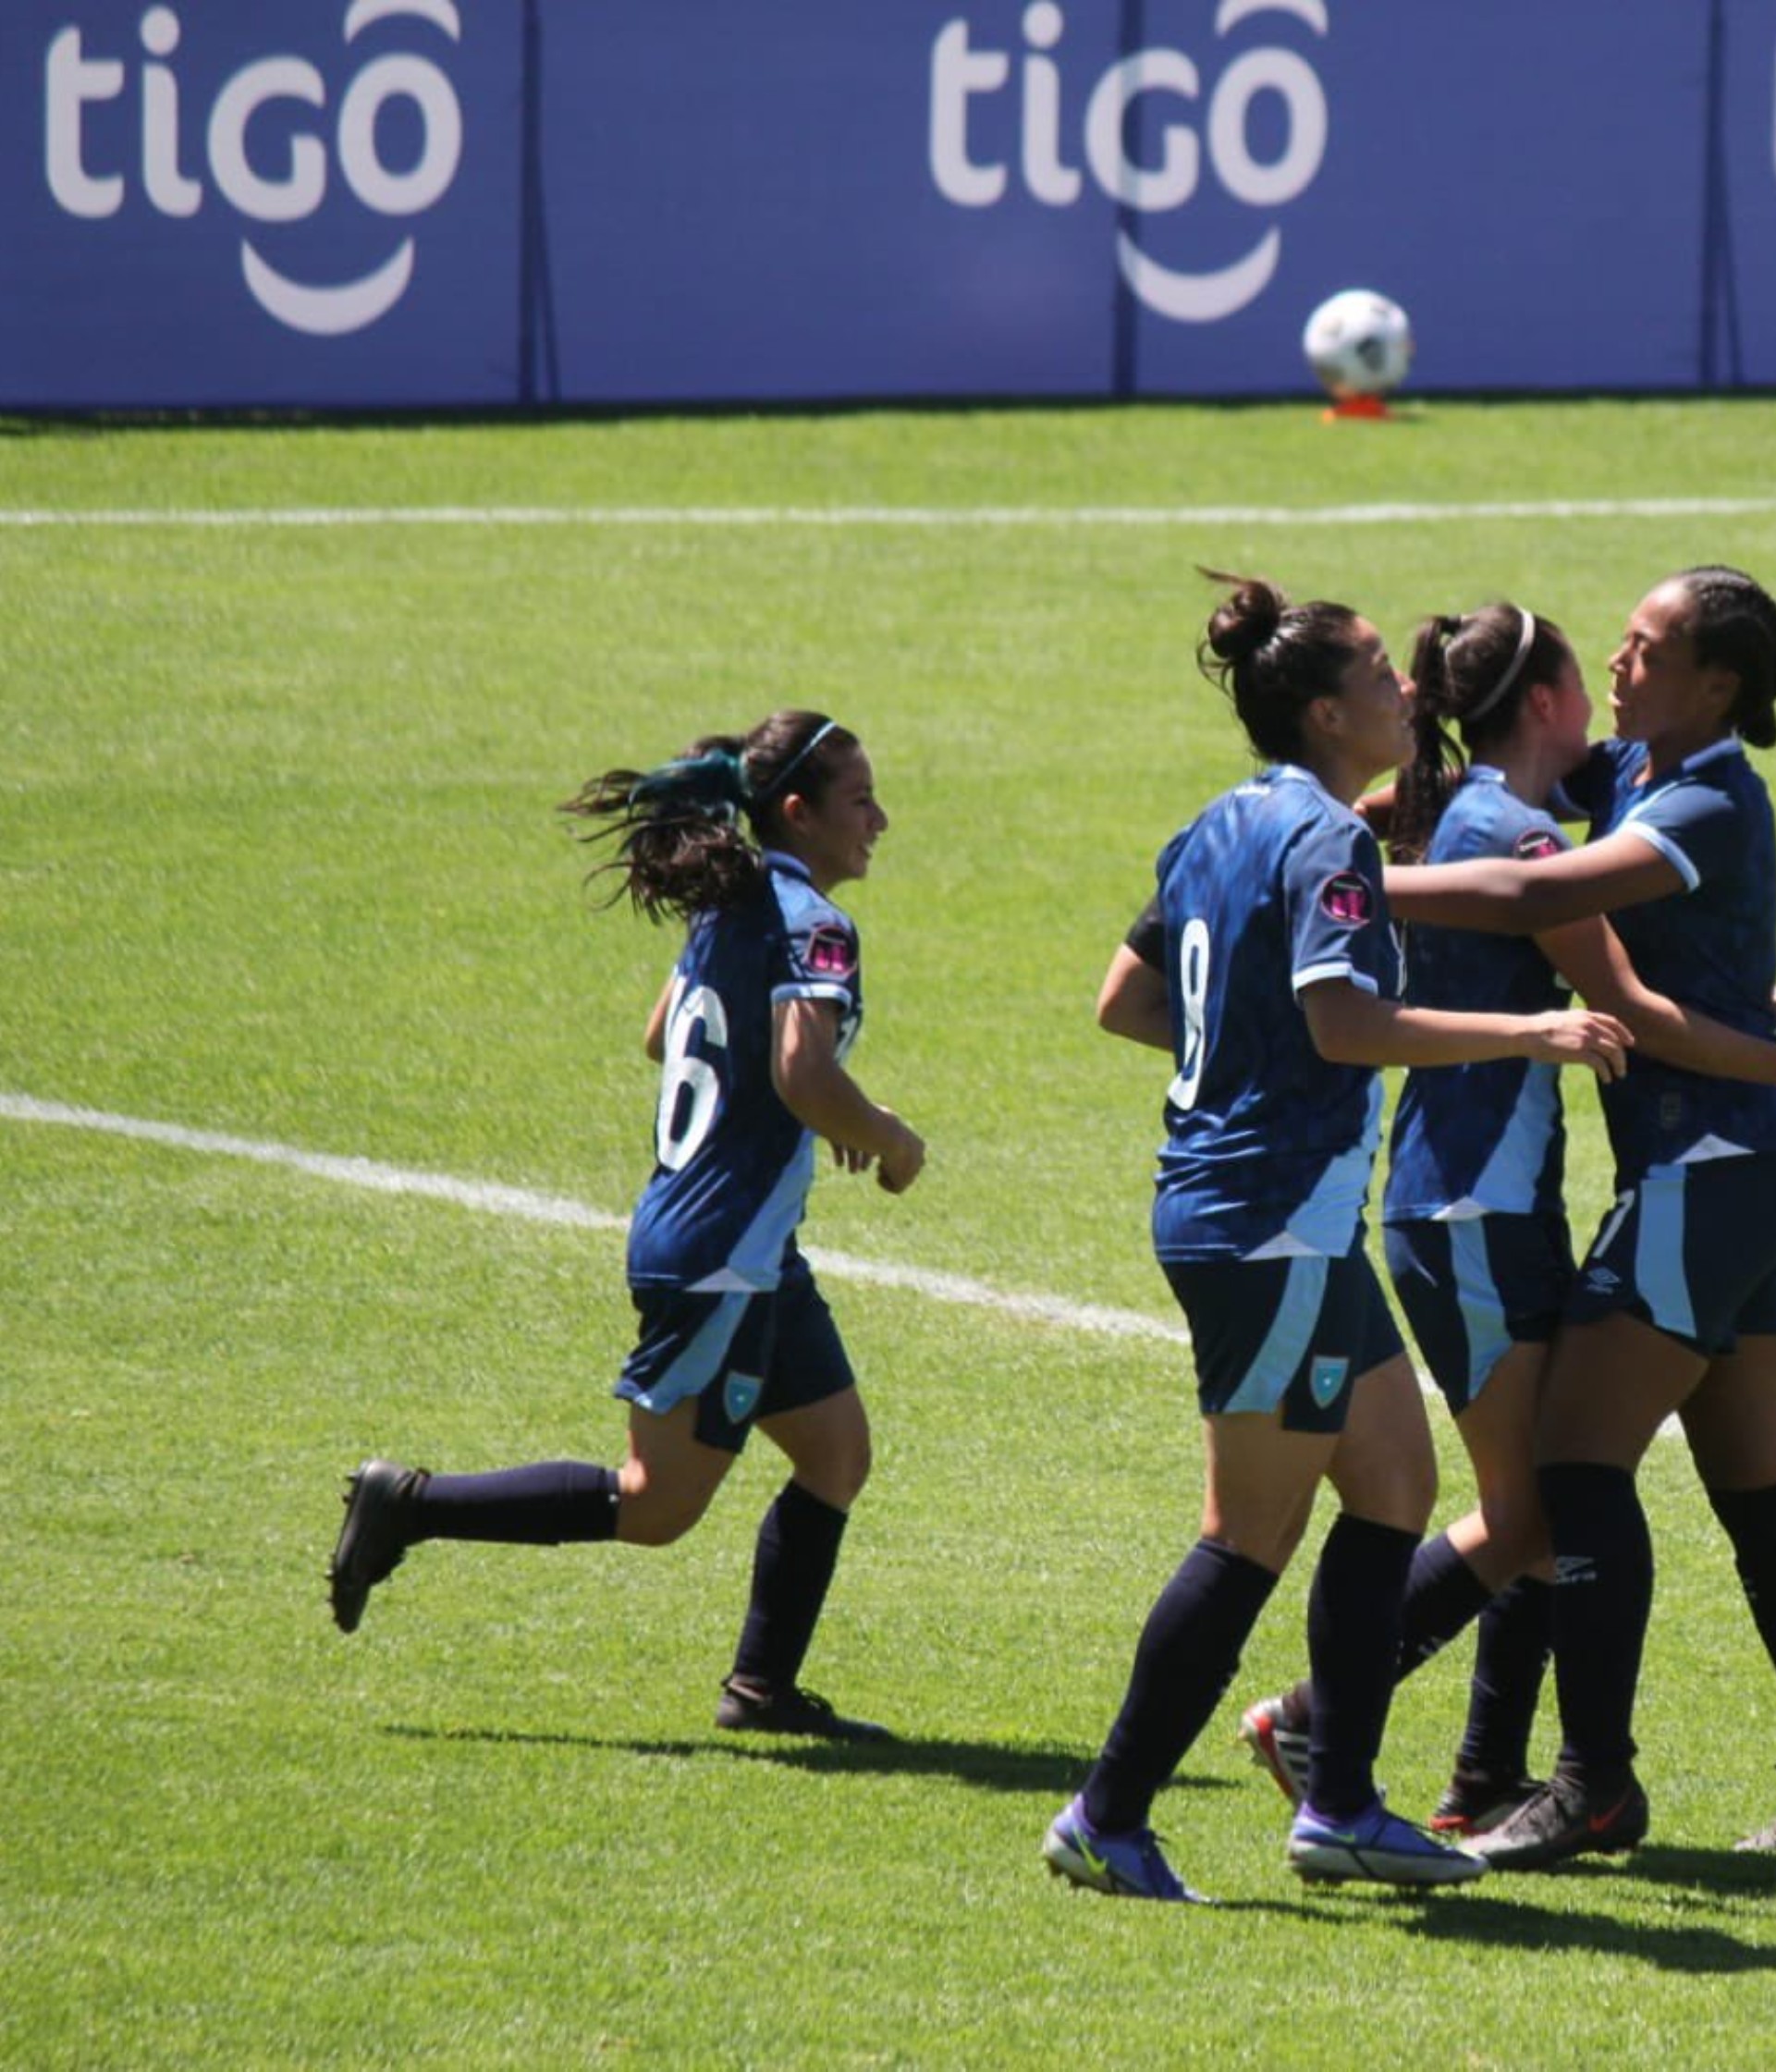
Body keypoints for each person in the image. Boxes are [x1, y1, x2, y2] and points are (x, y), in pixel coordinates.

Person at [1232, 602, 1776, 1840]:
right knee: (1751, 1478)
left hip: (1710, 1168)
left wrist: (1328, 874)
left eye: (1646, 649)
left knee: (1574, 1474)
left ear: (1717, 687)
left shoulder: (1705, 798)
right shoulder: (1633, 763)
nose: (1617, 660)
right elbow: (1499, 800)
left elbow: (1517, 892)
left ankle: (1584, 1781)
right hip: (1732, 1167)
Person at [1046, 571, 1632, 1904]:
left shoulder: (1219, 824)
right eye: (1378, 677)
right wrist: (1527, 1030)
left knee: (1394, 1490)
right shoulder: (1327, 840)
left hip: (1283, 1222)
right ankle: (1108, 1812)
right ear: (1323, 713)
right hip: (1268, 1226)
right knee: (1246, 1535)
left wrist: (1243, 1053)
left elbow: (1127, 999)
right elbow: (1345, 1027)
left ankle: (1344, 1803)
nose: (1405, 692)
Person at [323, 714, 928, 1743]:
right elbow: (801, 1073)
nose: (881, 818)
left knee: (835, 1453)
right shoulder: (813, 922)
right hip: (719, 1255)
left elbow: (665, 1035)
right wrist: (885, 1136)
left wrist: (792, 1100)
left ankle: (762, 1690)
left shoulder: (731, 907)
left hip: (750, 1252)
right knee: (656, 1508)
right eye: (860, 798)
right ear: (798, 813)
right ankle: (409, 1505)